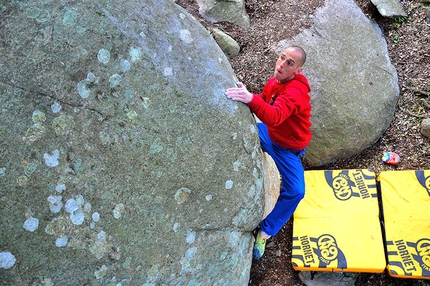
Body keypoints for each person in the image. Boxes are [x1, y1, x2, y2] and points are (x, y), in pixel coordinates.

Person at [225, 46, 312, 259]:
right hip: (270, 134)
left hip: (286, 149)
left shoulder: (296, 91)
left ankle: (265, 232)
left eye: (289, 63)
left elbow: (274, 116)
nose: (281, 64)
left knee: (297, 191)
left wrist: (250, 99)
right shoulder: (275, 83)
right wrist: (249, 95)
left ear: (297, 71)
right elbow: (264, 103)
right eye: (282, 58)